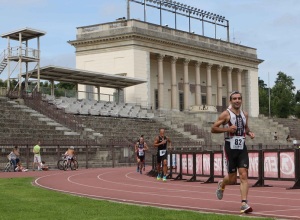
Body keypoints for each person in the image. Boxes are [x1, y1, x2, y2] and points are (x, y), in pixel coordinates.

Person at [211, 91, 255, 214]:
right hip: (230, 147)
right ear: (230, 101)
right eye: (234, 99)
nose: (237, 100)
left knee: (244, 174)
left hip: (242, 147)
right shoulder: (226, 114)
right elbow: (213, 128)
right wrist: (227, 129)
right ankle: (221, 184)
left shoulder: (245, 114)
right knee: (232, 179)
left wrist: (249, 133)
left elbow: (245, 128)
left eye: (239, 98)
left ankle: (244, 203)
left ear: (241, 100)